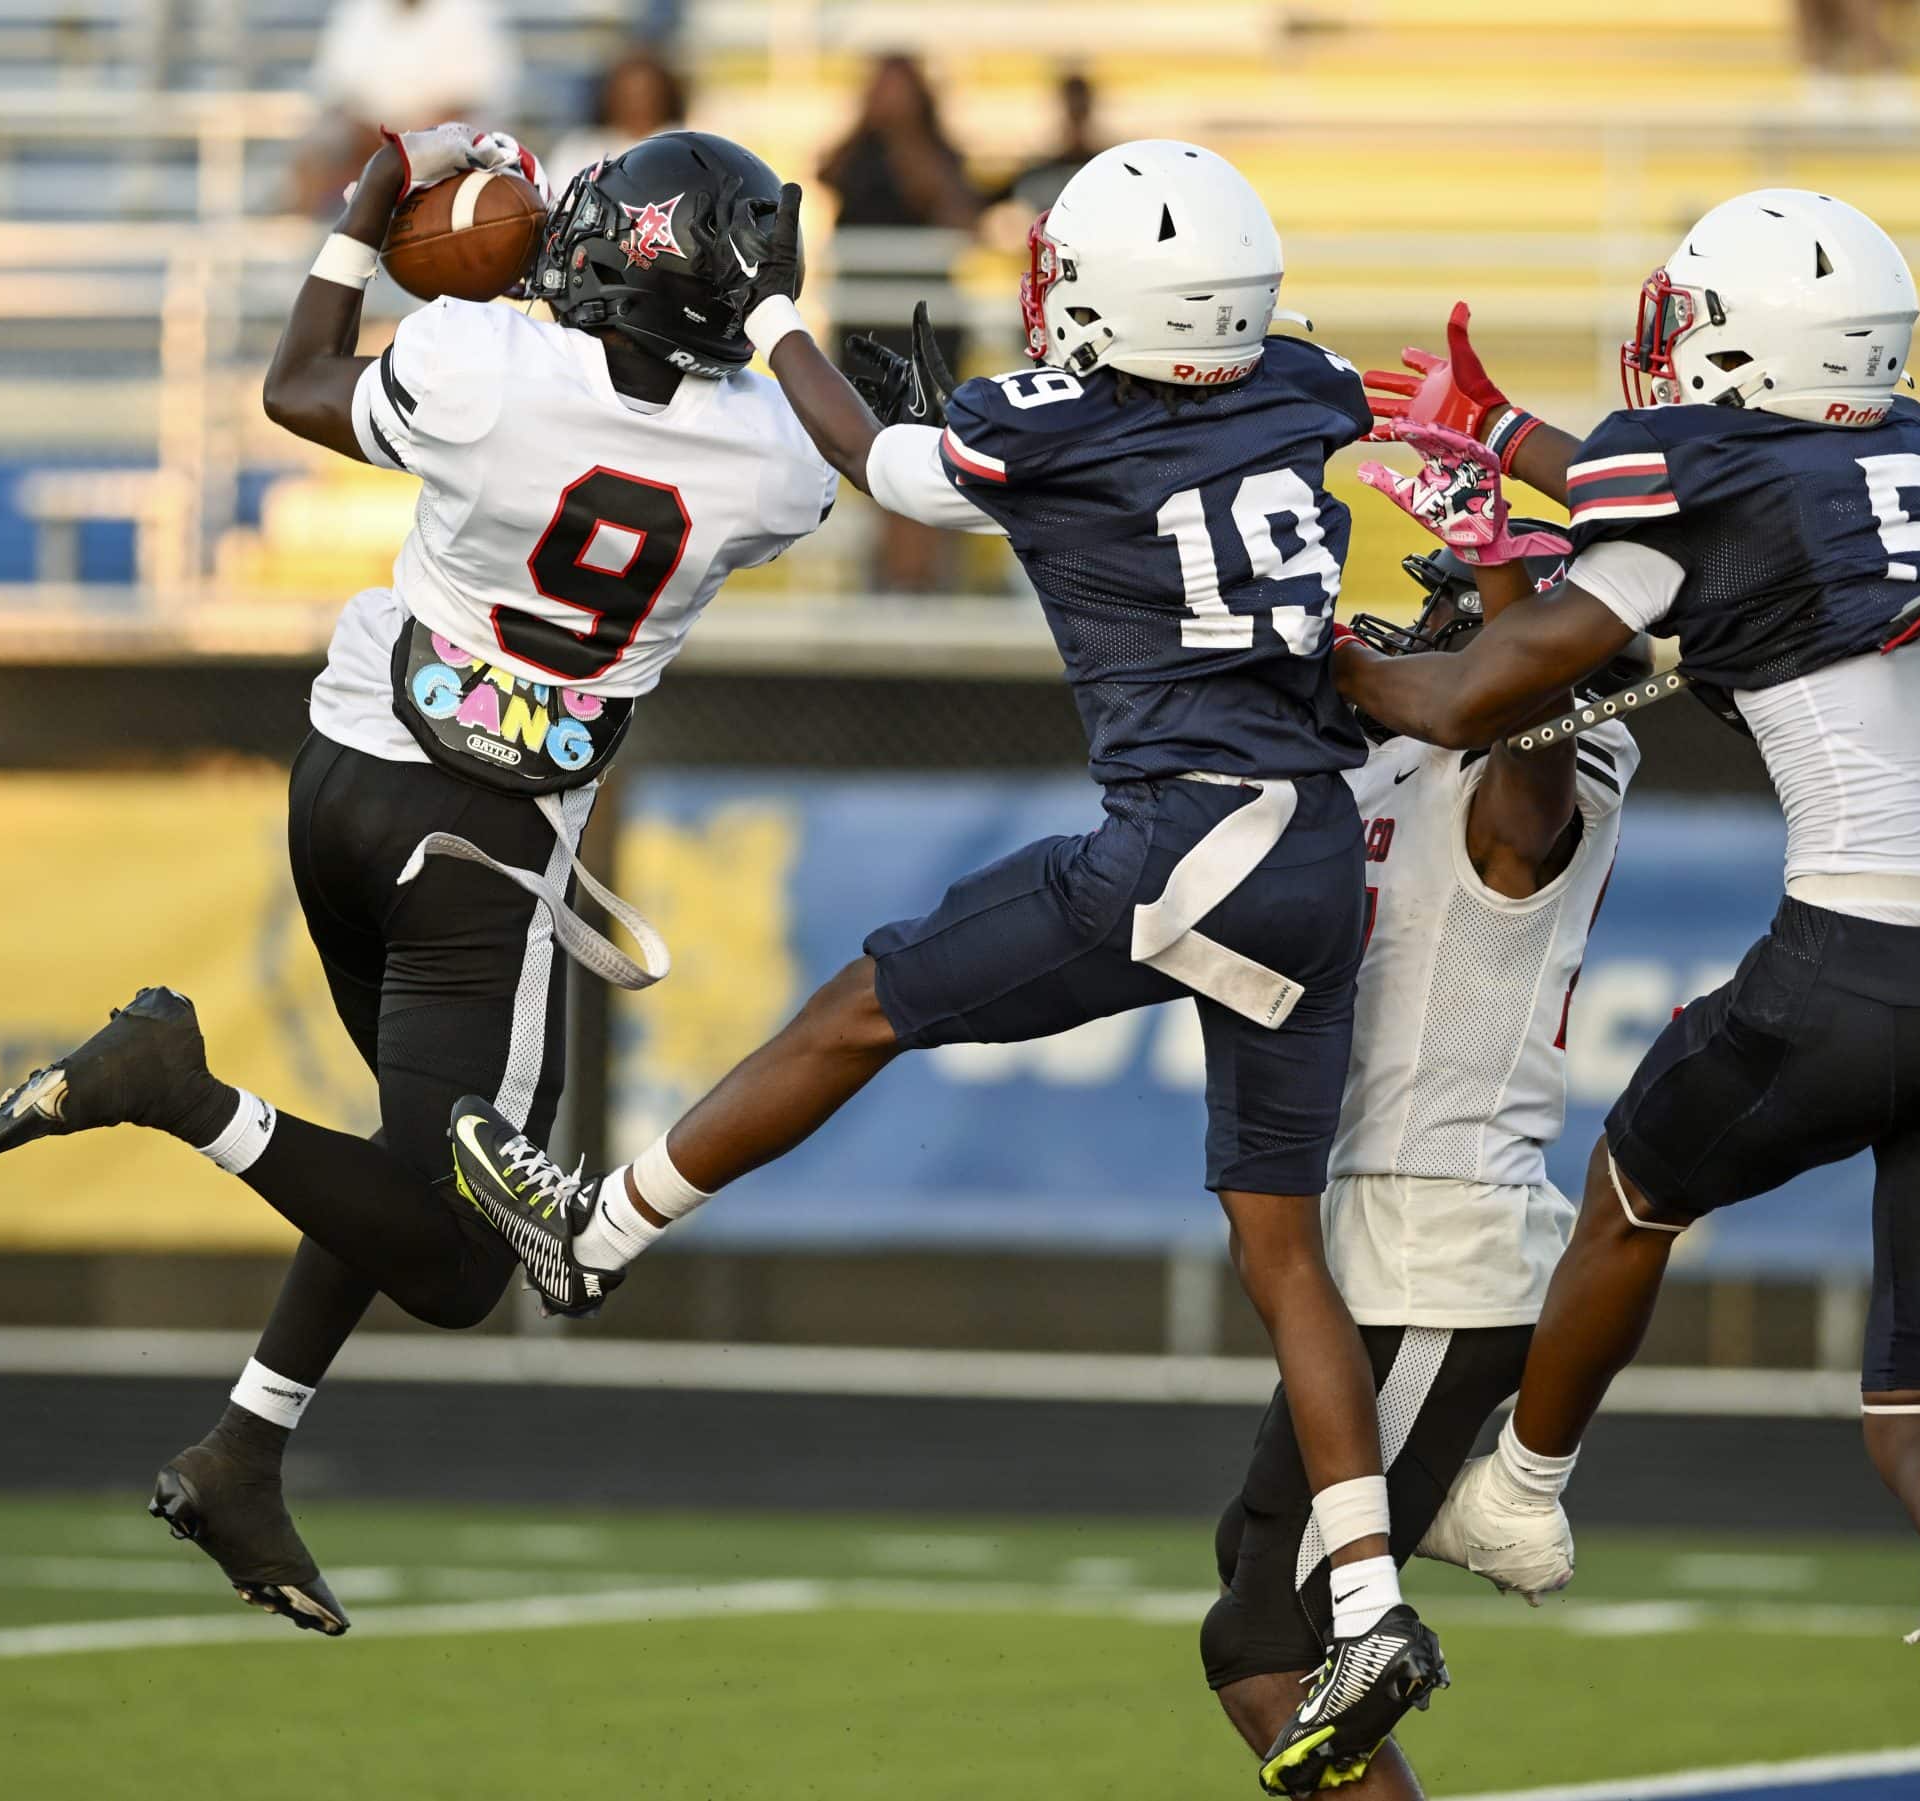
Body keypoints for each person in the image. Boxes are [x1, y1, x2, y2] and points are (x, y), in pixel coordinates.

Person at [449, 140, 1447, 1796]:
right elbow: (1249, 412)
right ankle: (1371, 1607)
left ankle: (595, 1235)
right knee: (1283, 1249)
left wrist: (777, 318)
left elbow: (879, 463)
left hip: (1187, 835)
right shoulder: (1301, 384)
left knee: (864, 1004)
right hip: (1319, 853)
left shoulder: (1077, 419)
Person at [0, 128, 836, 1635]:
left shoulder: (478, 360)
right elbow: (814, 445)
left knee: (401, 1164)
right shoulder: (772, 464)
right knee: (466, 1263)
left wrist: (371, 213)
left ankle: (246, 1446)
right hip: (483, 852)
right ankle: (179, 1090)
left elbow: (299, 383)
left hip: (348, 780)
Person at [1344, 190, 1920, 1801]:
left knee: (1630, 1189)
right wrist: (1521, 458)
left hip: (1853, 966)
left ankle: (1526, 1488)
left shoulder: (1698, 485)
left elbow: (1482, 686)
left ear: (1747, 348)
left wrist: (1313, 639)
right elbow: (1740, 508)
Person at [1204, 532, 1639, 1801]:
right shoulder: (1413, 757)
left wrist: (1510, 606)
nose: (1418, 632)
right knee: (1257, 1556)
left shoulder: (1549, 770)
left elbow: (1530, 755)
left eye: (1453, 615)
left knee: (1266, 1640)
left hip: (1438, 1259)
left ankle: (1475, 1507)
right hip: (1379, 1250)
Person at [819, 54, 982, 592]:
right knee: (875, 454)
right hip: (862, 329)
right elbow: (824, 173)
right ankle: (890, 583)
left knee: (926, 452)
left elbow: (955, 214)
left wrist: (906, 135)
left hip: (922, 333)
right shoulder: (857, 152)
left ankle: (921, 584)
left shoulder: (937, 152)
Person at [293, 0, 522, 214]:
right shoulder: (359, 9)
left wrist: (409, 141)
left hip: (442, 138)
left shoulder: (469, 10)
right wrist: (382, 138)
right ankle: (315, 245)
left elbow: (476, 98)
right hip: (369, 138)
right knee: (316, 151)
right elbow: (336, 94)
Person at [547, 44, 689, 182]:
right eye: (627, 95)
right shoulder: (579, 149)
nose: (638, 104)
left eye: (648, 94)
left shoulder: (686, 147)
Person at [996, 67, 1103, 216]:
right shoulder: (1035, 176)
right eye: (1071, 108)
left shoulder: (1107, 169)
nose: (1075, 115)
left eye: (1079, 108)